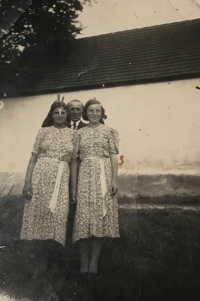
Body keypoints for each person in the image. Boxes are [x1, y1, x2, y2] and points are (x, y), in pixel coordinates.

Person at [71, 98, 120, 274]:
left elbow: (114, 158)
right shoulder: (79, 133)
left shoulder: (110, 132)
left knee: (100, 216)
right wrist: (74, 187)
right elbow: (75, 161)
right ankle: (84, 262)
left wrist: (114, 180)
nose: (94, 113)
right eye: (90, 110)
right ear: (86, 113)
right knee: (84, 218)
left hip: (103, 176)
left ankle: (94, 262)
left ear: (102, 113)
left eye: (97, 111)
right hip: (85, 176)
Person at [20, 96, 75, 247]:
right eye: (56, 112)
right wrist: (27, 182)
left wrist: (73, 187)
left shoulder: (73, 134)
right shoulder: (43, 132)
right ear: (51, 115)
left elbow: (74, 161)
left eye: (63, 112)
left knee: (58, 213)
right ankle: (36, 249)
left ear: (67, 115)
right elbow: (33, 159)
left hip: (61, 176)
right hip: (41, 175)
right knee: (38, 211)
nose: (59, 115)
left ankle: (54, 251)